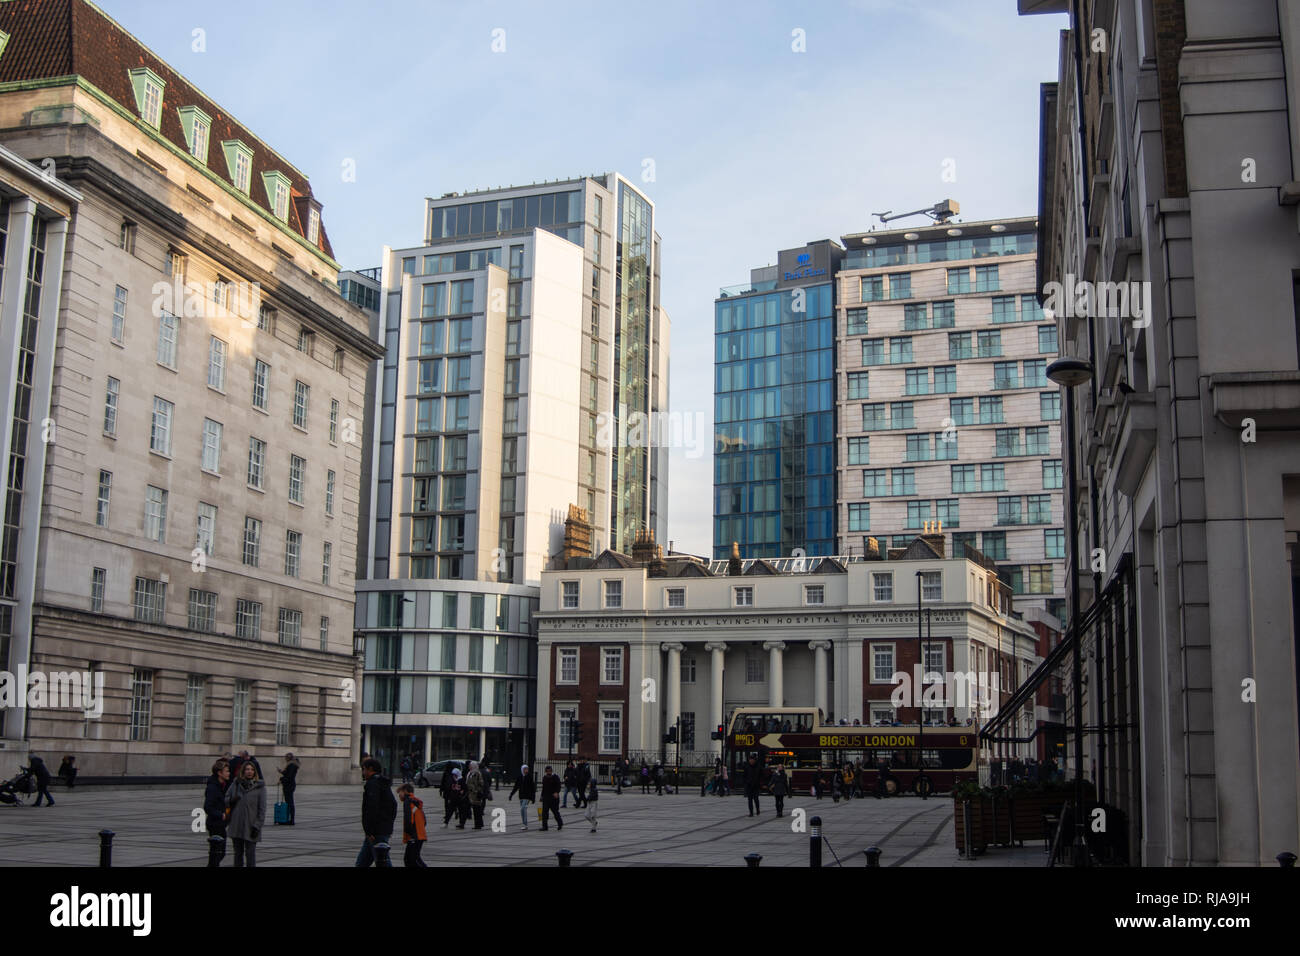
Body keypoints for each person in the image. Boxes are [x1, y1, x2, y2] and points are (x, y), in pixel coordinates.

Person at [356, 757, 397, 867]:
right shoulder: (383, 783)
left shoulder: (373, 784)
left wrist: (369, 830)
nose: (363, 772)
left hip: (375, 832)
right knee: (362, 863)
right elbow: (393, 805)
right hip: (381, 829)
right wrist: (389, 826)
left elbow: (371, 808)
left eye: (364, 769)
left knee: (382, 861)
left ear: (370, 769)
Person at [225, 760, 266, 867]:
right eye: (247, 769)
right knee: (237, 854)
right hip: (237, 824)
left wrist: (257, 826)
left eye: (252, 770)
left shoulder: (260, 787)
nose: (249, 772)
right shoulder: (236, 783)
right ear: (243, 771)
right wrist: (233, 799)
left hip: (251, 826)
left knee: (250, 854)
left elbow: (262, 810)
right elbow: (226, 799)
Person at [204, 758, 231, 867]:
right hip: (215, 824)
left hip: (220, 823)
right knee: (217, 853)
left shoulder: (222, 785)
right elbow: (207, 807)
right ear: (219, 773)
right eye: (227, 771)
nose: (229, 773)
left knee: (217, 853)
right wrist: (221, 814)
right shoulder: (213, 787)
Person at [398, 783, 428, 867]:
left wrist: (410, 833)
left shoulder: (408, 801)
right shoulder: (415, 801)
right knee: (415, 858)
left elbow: (408, 819)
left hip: (414, 835)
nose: (399, 795)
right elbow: (424, 820)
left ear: (405, 791)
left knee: (409, 860)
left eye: (400, 792)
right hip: (419, 834)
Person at [509, 764, 536, 830]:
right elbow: (516, 787)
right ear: (522, 770)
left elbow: (533, 788)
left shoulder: (529, 777)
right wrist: (511, 795)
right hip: (521, 796)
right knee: (522, 810)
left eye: (527, 769)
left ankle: (525, 824)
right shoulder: (520, 777)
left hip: (527, 796)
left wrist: (533, 798)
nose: (526, 770)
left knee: (523, 808)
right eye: (525, 769)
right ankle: (524, 823)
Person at [278, 753, 300, 825]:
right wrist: (282, 772)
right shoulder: (291, 765)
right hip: (289, 785)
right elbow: (288, 774)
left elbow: (289, 777)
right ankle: (288, 819)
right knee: (289, 803)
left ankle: (291, 820)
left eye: (285, 758)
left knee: (290, 803)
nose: (285, 759)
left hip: (289, 785)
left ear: (288, 758)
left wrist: (281, 779)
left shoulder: (291, 765)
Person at [540, 765, 563, 831]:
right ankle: (545, 826)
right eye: (547, 771)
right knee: (544, 812)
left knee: (555, 812)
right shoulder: (544, 777)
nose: (548, 772)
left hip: (553, 798)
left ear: (551, 771)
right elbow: (543, 788)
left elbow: (558, 785)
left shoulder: (555, 777)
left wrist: (557, 792)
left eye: (549, 771)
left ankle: (560, 823)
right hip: (546, 797)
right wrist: (542, 796)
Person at [465, 760, 487, 830]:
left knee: (477, 810)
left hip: (476, 794)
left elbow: (481, 783)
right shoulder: (470, 773)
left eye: (470, 766)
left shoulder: (477, 773)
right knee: (475, 810)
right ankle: (478, 824)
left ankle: (478, 825)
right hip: (471, 794)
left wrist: (476, 790)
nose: (469, 767)